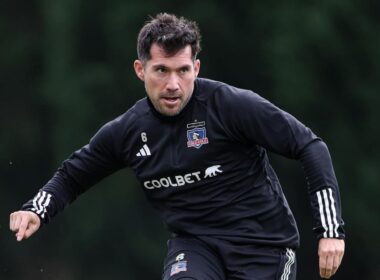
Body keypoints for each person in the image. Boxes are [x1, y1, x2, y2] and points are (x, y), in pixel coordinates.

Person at [9, 13, 345, 279]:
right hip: (195, 247)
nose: (173, 84)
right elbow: (73, 176)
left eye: (183, 71)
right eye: (161, 71)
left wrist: (330, 231)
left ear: (196, 68)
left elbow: (310, 146)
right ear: (140, 70)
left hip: (262, 248)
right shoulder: (128, 131)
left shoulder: (230, 106)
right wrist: (36, 209)